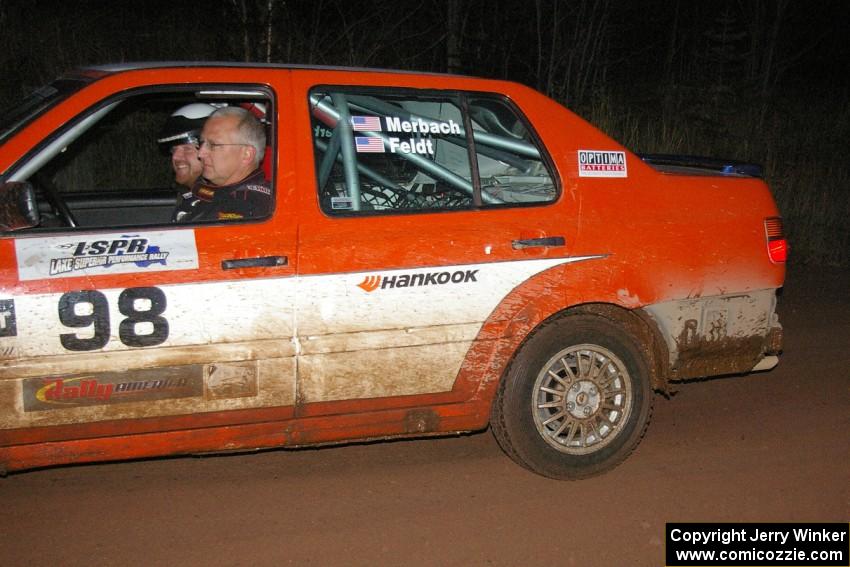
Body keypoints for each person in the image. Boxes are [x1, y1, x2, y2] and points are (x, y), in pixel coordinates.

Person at [173, 107, 272, 222]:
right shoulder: (211, 194)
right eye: (202, 143)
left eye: (213, 145)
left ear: (246, 154)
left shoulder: (248, 209)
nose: (201, 153)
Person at [157, 103, 217, 188]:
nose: (175, 157)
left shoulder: (228, 198)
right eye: (173, 150)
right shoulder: (189, 196)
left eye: (187, 148)